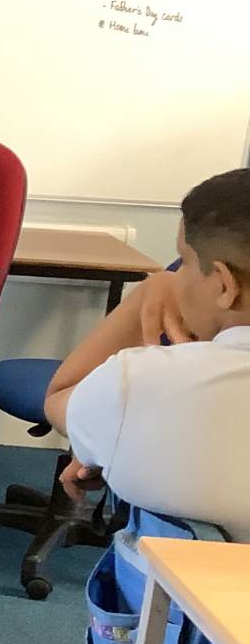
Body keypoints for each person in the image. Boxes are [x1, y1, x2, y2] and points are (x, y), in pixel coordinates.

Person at [45, 168, 250, 528]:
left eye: (183, 262)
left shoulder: (140, 382)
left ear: (224, 284)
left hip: (174, 566)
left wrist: (146, 293)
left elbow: (60, 396)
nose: (175, 276)